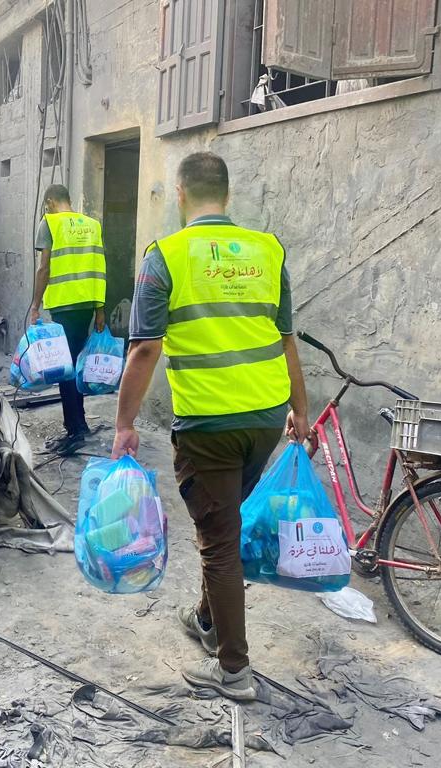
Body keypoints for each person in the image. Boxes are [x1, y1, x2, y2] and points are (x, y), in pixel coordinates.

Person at [111, 152, 310, 701]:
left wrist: (124, 423)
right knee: (225, 522)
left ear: (180, 194)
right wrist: (300, 409)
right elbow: (286, 339)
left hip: (209, 424)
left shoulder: (165, 257)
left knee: (219, 542)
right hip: (265, 419)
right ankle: (206, 618)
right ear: (227, 194)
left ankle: (234, 671)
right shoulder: (268, 250)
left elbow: (145, 349)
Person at [31, 184, 107, 454]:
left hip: (64, 304)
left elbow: (44, 268)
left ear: (50, 202)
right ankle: (80, 423)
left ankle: (74, 431)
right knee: (75, 363)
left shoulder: (50, 223)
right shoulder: (92, 225)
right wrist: (100, 309)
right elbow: (100, 268)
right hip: (86, 304)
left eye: (46, 206)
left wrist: (35, 304)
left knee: (65, 367)